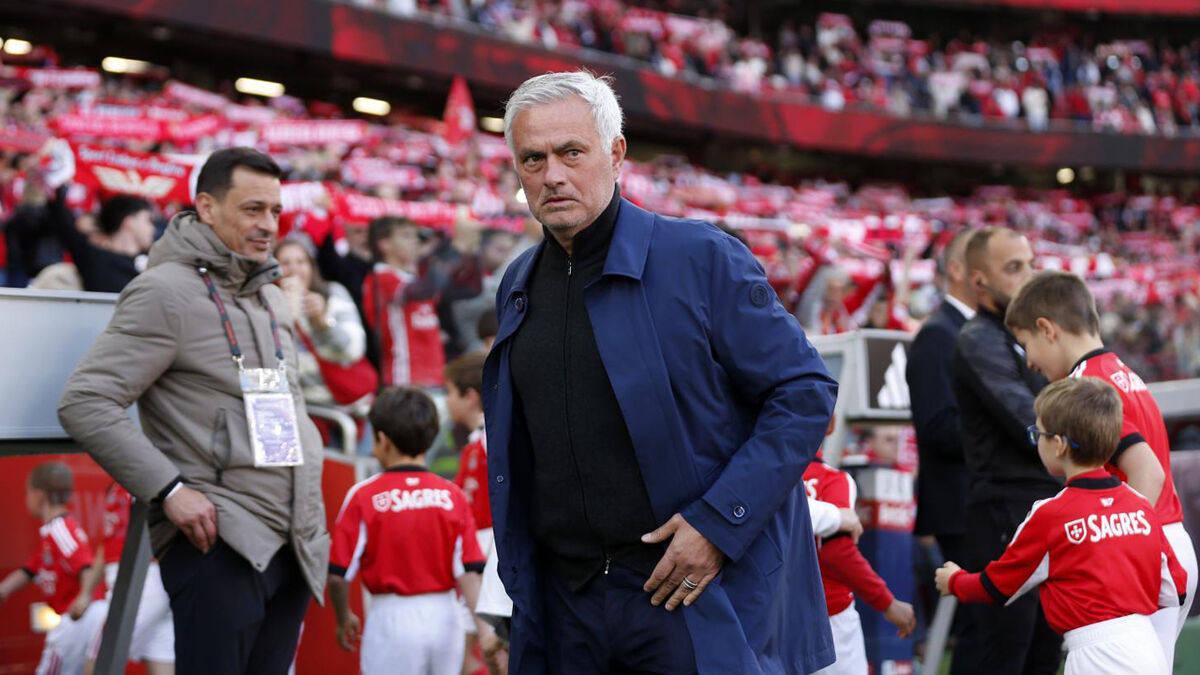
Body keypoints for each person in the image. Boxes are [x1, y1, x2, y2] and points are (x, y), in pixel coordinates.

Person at [485, 71, 838, 674]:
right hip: (566, 602)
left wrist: (719, 523)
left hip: (689, 595)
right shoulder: (519, 281)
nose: (553, 175)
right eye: (533, 159)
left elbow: (804, 392)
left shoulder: (701, 256)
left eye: (571, 152)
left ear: (616, 153)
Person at [57, 147, 328, 675]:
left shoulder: (271, 297)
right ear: (206, 207)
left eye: (275, 210)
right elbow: (86, 401)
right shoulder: (165, 291)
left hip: (293, 539)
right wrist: (170, 490)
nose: (268, 224)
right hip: (219, 539)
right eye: (252, 209)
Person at [1004, 270, 1198, 669]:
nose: (1030, 361)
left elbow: (1148, 473)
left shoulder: (1088, 386)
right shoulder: (1121, 371)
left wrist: (1115, 545)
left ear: (1047, 329)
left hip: (1144, 549)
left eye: (1026, 344)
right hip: (1166, 541)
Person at [935, 378, 1189, 675]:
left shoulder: (1050, 514)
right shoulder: (1140, 505)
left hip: (1095, 654)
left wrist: (955, 581)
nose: (1036, 441)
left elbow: (1000, 585)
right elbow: (1176, 587)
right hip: (1147, 646)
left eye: (1038, 434)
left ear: (1058, 445)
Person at [950, 226, 1062, 674]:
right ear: (979, 280)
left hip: (1045, 504)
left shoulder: (1029, 334)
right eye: (1014, 267)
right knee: (1006, 657)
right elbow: (1031, 421)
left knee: (1044, 654)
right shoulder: (978, 338)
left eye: (1032, 264)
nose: (1029, 275)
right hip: (1005, 511)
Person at [327, 387, 487, 675]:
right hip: (445, 617)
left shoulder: (364, 495)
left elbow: (338, 576)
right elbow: (470, 572)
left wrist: (343, 617)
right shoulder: (452, 495)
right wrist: (485, 633)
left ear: (382, 439)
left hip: (391, 619)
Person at [803, 452, 916, 674]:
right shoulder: (832, 479)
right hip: (829, 616)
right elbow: (837, 551)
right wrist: (887, 602)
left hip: (771, 616)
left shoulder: (767, 478)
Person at [0, 462, 107, 675]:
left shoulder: (60, 530)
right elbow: (28, 571)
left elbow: (85, 566)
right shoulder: (50, 534)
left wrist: (83, 598)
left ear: (39, 495)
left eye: (27, 492)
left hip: (79, 617)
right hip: (79, 617)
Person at [445, 350, 503, 672]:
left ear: (469, 397)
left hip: (489, 560)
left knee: (496, 651)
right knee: (467, 654)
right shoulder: (474, 441)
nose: (446, 401)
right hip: (474, 560)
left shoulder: (490, 438)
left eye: (449, 392)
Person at [85, 482, 175, 675]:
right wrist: (85, 593)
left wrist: (85, 593)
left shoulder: (137, 479)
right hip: (155, 579)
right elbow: (107, 544)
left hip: (140, 581)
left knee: (100, 659)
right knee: (162, 662)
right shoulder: (122, 485)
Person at [274, 239, 372, 410]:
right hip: (301, 406)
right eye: (285, 263)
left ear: (312, 266)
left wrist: (321, 323)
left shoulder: (332, 294)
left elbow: (352, 350)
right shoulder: (267, 306)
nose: (294, 269)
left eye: (301, 262)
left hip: (346, 405)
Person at [362, 216, 446, 388]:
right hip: (405, 374)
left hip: (434, 372)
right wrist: (451, 250)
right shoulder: (381, 277)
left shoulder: (413, 279)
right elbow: (420, 291)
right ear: (384, 244)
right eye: (406, 236)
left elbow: (467, 290)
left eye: (416, 236)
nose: (415, 242)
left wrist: (465, 252)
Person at [50, 192, 157, 293]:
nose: (153, 229)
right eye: (148, 221)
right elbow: (64, 224)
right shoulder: (94, 258)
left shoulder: (155, 264)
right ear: (129, 222)